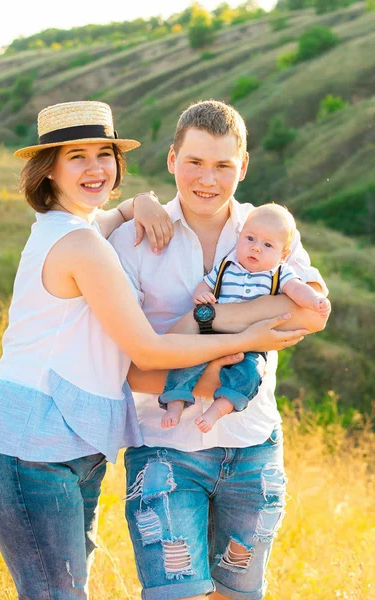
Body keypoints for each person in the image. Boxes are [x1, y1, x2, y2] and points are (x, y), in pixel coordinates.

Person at [0, 100, 304, 600]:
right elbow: (146, 353)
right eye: (76, 157)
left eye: (103, 154)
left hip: (71, 443)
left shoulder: (87, 229)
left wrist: (135, 204)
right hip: (31, 441)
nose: (95, 168)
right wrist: (246, 340)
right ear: (48, 170)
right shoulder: (83, 243)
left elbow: (107, 217)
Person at [108, 99, 330, 600]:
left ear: (243, 167)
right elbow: (128, 365)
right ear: (171, 160)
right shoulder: (134, 240)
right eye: (195, 163)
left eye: (223, 166)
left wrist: (203, 321)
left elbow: (312, 312)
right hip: (165, 450)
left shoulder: (272, 228)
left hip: (253, 446)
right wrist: (248, 331)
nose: (207, 179)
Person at [159, 203, 331, 432]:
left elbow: (297, 290)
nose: (256, 248)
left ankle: (219, 408)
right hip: (211, 336)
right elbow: (205, 283)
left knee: (251, 374)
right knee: (186, 363)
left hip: (253, 344)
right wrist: (202, 295)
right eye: (250, 239)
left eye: (268, 245)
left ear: (284, 255)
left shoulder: (279, 273)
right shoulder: (227, 266)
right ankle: (175, 403)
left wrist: (315, 301)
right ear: (240, 237)